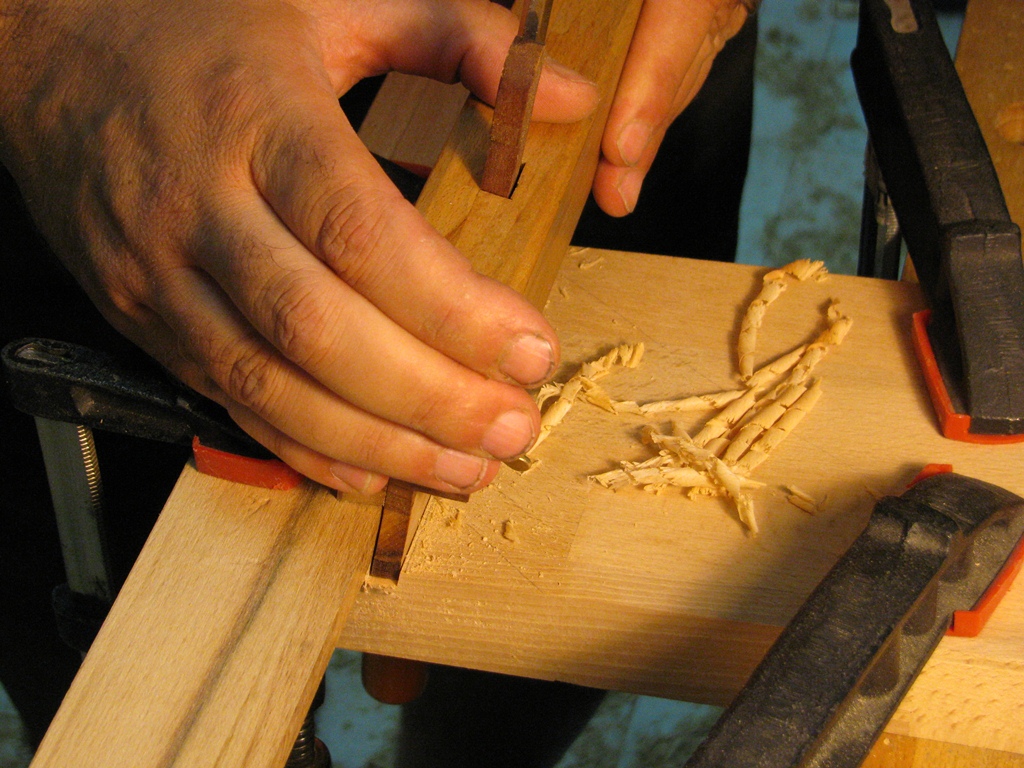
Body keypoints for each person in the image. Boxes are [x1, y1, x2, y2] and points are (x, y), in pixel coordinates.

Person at [0, 0, 754, 753]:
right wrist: (41, 35)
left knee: (525, 674)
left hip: (594, 59)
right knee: (142, 707)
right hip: (130, 96)